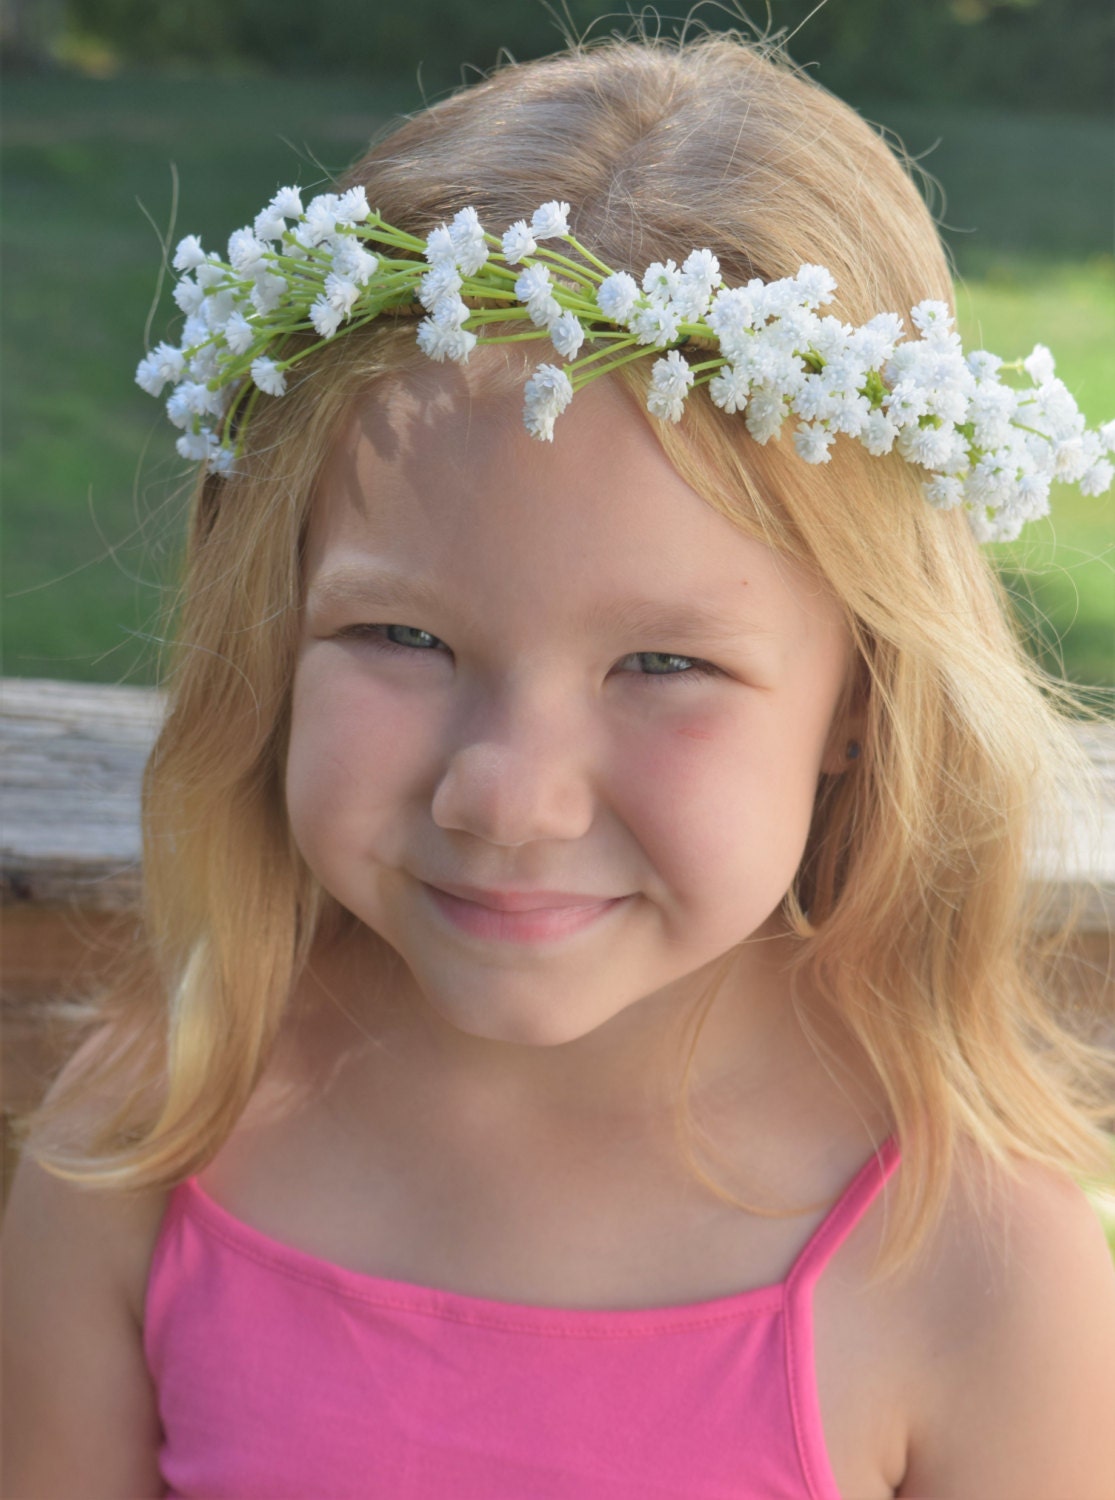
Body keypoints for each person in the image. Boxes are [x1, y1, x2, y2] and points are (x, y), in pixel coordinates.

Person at [3, 27, 1115, 1500]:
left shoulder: (970, 1260)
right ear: (273, 629)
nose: (508, 797)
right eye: (401, 634)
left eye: (663, 666)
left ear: (864, 690)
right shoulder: (142, 1146)